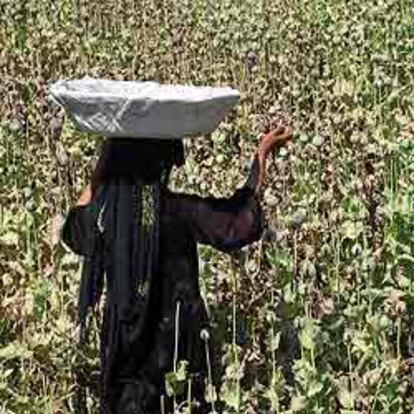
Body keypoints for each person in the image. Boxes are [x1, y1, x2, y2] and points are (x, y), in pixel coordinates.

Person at [62, 125, 292, 414]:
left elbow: (73, 226)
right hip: (179, 351)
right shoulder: (178, 211)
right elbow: (238, 222)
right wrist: (261, 154)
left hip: (124, 354)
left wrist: (106, 161)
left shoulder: (107, 219)